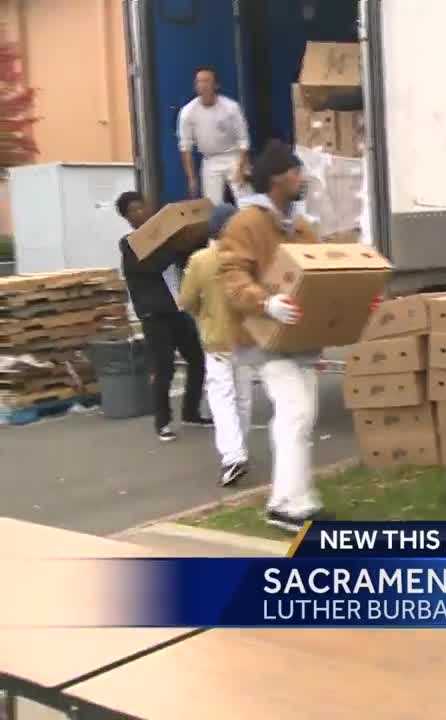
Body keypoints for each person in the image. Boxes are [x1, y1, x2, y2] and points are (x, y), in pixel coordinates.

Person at [218, 140, 328, 531]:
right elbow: (231, 277)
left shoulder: (301, 227)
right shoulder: (246, 223)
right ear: (278, 178)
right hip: (262, 336)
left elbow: (323, 273)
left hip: (299, 336)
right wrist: (266, 303)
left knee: (302, 416)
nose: (302, 178)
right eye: (297, 171)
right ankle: (287, 506)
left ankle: (293, 498)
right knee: (294, 411)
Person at [117, 192, 213, 441]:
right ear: (126, 217)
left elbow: (187, 258)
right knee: (164, 367)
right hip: (154, 313)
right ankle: (163, 422)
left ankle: (191, 412)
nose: (140, 213)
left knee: (197, 358)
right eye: (133, 210)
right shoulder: (130, 244)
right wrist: (172, 243)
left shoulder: (166, 239)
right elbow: (153, 265)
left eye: (142, 207)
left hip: (176, 308)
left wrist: (194, 237)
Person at [179, 204, 254, 486]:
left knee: (223, 399)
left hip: (216, 341)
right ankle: (241, 447)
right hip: (246, 338)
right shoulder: (248, 258)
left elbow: (186, 301)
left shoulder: (199, 260)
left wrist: (203, 314)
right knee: (243, 398)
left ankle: (233, 456)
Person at [178, 66, 250, 203]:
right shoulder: (187, 112)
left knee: (247, 202)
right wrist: (191, 178)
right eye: (199, 82)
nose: (203, 85)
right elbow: (185, 147)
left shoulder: (231, 107)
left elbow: (243, 140)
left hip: (234, 157)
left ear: (216, 85)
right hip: (210, 160)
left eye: (207, 81)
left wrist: (241, 169)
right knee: (212, 205)